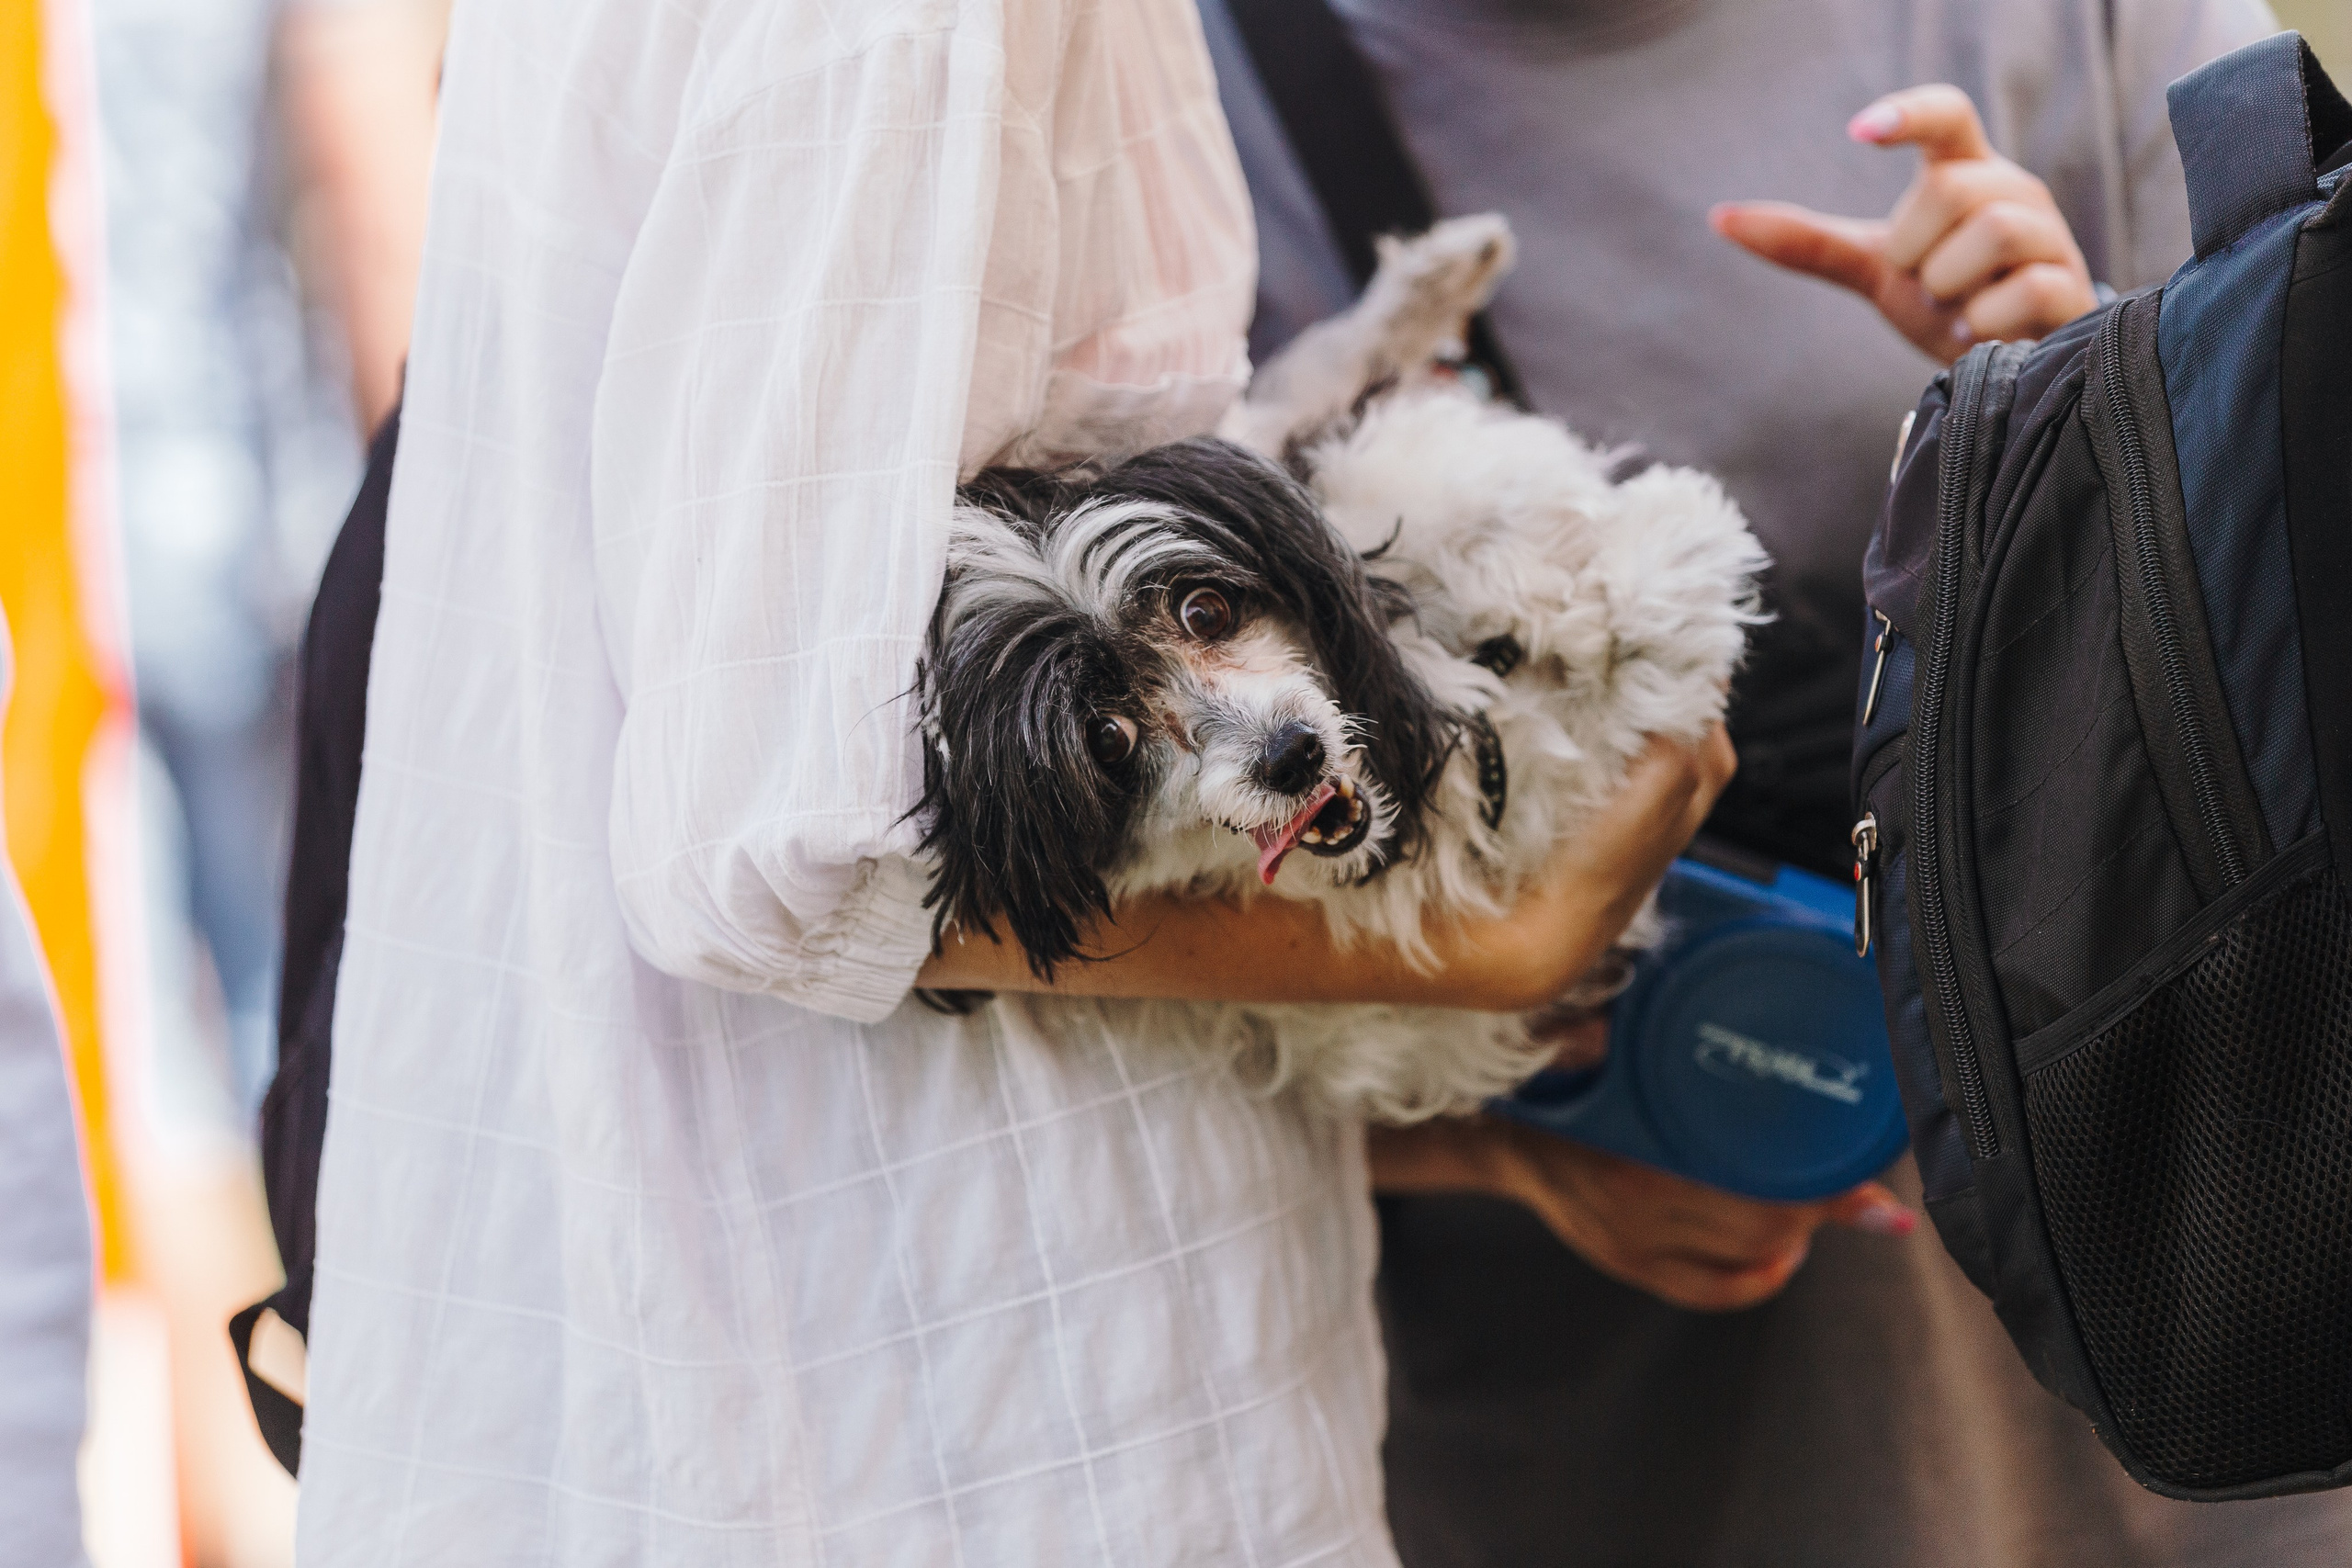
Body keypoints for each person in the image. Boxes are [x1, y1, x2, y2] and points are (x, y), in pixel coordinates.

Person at [295, 3, 1729, 1562]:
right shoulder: (901, 33)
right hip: (996, 1355)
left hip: (849, 1285)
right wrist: (1487, 946)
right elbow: (771, 855)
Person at [1204, 0, 2352, 1561]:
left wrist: (2118, 422)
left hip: (2197, 1310)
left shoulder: (2087, 26)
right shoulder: (1177, 97)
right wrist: (1504, 1149)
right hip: (1623, 1417)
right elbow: (1058, 986)